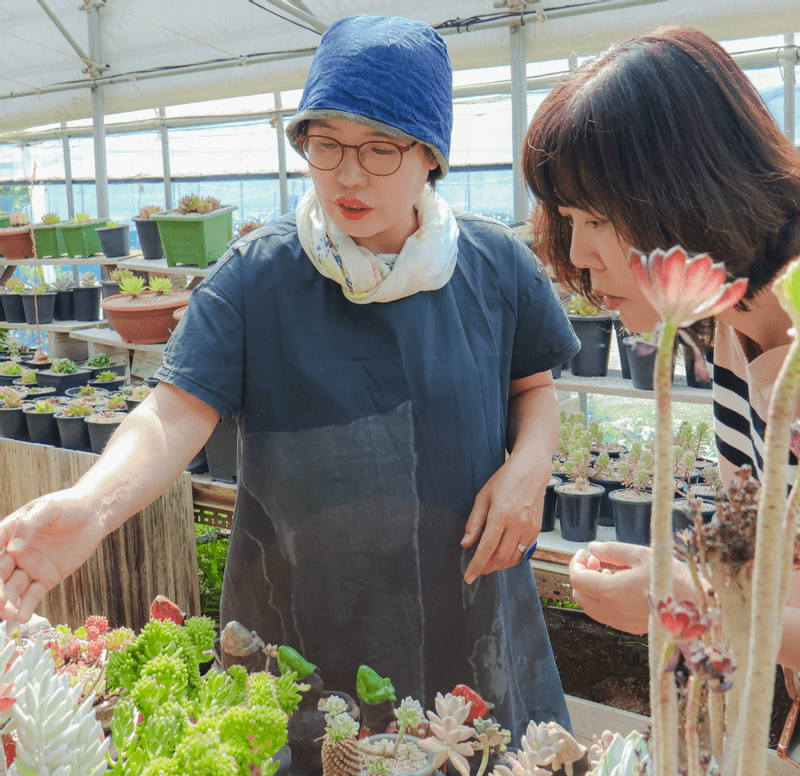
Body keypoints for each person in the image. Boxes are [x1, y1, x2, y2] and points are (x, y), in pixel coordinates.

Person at [0, 15, 579, 739]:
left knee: (479, 764)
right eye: (325, 142)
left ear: (432, 154)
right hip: (302, 627)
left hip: (471, 614)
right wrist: (93, 505)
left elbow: (534, 388)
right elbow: (173, 412)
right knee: (311, 764)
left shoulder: (496, 267)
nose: (347, 172)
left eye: (379, 146)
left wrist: (530, 464)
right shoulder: (258, 277)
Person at [522, 24, 800, 669]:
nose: (581, 258)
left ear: (692, 190)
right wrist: (672, 581)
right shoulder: (733, 329)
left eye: (596, 217)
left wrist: (697, 606)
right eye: (568, 221)